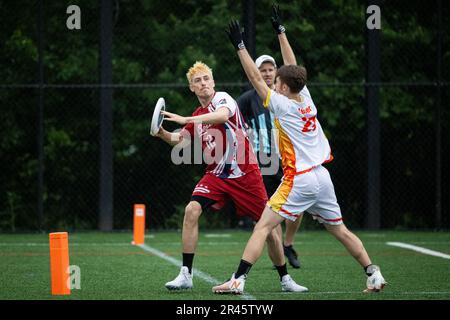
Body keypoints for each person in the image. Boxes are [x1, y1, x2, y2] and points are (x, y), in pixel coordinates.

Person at [212, 12, 387, 295]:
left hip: (300, 178)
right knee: (340, 230)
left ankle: (238, 279)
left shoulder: (281, 105)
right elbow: (293, 67)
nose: (274, 80)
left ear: (282, 86)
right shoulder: (305, 97)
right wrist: (281, 31)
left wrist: (240, 46)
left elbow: (256, 77)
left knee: (262, 227)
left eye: (278, 79)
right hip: (322, 177)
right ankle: (373, 272)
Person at [153, 61, 307, 292]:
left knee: (271, 230)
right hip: (216, 174)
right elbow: (180, 140)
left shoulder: (222, 99)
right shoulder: (198, 115)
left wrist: (186, 119)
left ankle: (285, 280)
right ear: (191, 88)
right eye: (197, 81)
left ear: (213, 82)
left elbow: (223, 116)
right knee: (191, 210)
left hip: (246, 173)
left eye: (206, 78)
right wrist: (161, 132)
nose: (203, 83)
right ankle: (186, 274)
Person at [237, 53, 302, 268]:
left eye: (270, 69)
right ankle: (280, 262)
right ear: (256, 73)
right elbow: (235, 120)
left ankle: (288, 244)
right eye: (262, 70)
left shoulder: (285, 96)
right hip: (263, 162)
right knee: (268, 212)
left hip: (288, 160)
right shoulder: (248, 99)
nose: (266, 73)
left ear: (276, 73)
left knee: (298, 205)